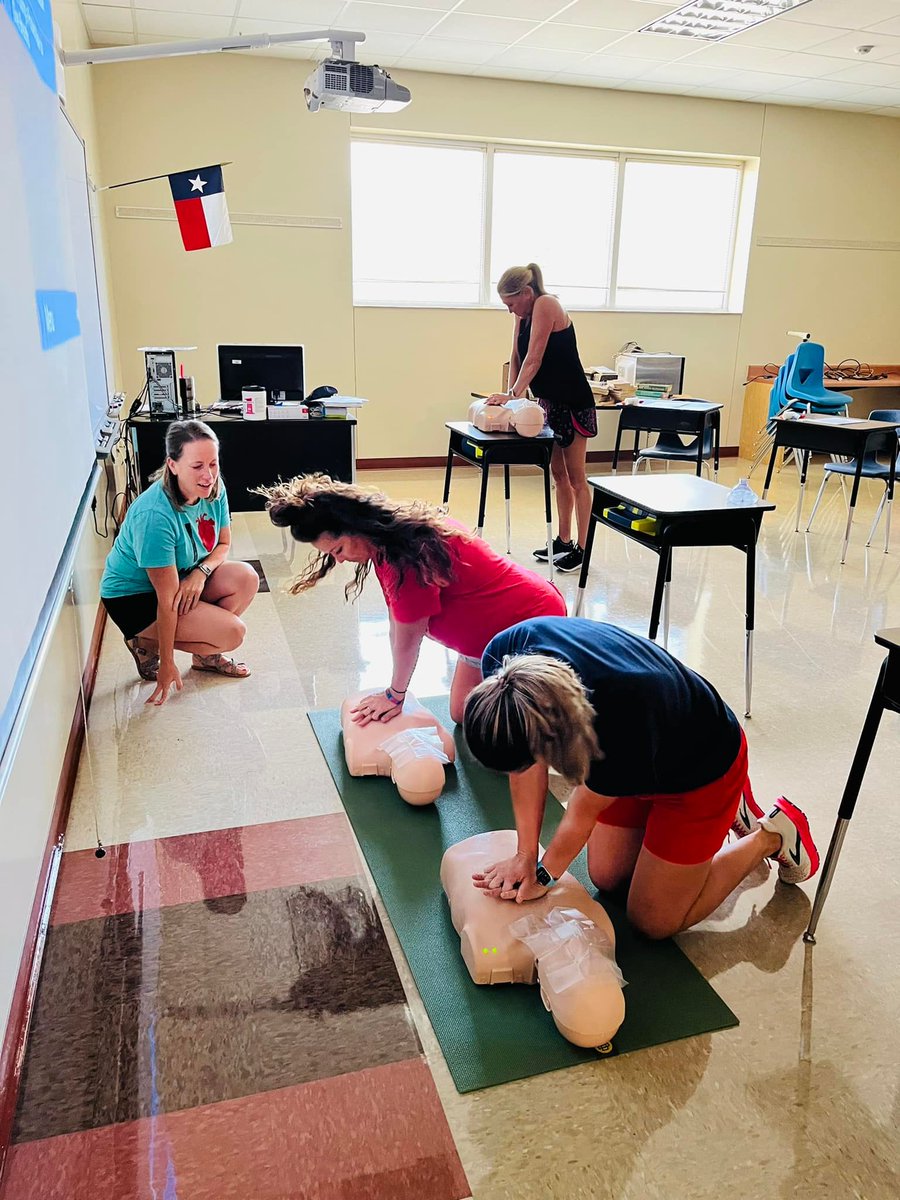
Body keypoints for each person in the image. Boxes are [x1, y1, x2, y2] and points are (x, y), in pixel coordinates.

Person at [462, 616, 819, 940]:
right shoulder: (505, 655)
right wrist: (525, 854)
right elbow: (523, 766)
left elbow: (580, 814)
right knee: (607, 877)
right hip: (647, 748)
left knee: (653, 921)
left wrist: (543, 877)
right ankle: (716, 817)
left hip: (702, 768)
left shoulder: (615, 726)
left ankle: (772, 835)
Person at [259, 474, 567, 726]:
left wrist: (395, 694)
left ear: (354, 526)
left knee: (510, 728)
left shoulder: (407, 554)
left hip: (530, 622)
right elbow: (397, 621)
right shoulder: (383, 542)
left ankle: (562, 695)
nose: (339, 561)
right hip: (482, 643)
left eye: (338, 550)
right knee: (464, 715)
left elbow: (408, 639)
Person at [100, 419, 258, 706]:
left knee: (246, 577)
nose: (208, 475)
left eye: (213, 463)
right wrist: (168, 664)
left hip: (185, 573)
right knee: (233, 633)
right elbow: (167, 598)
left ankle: (205, 656)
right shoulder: (154, 516)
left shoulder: (214, 488)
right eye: (197, 466)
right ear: (172, 465)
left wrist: (200, 572)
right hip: (134, 596)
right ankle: (145, 643)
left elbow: (222, 545)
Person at [486, 263, 596, 574]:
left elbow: (536, 356)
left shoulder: (547, 304)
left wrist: (515, 394)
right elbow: (517, 357)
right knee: (558, 475)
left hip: (573, 401)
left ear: (526, 293)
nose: (510, 311)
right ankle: (563, 540)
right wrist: (511, 394)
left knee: (576, 477)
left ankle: (584, 548)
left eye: (511, 304)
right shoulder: (522, 315)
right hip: (550, 402)